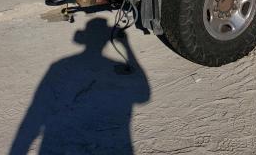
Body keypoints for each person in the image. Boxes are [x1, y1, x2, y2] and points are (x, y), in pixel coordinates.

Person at [9, 18, 150, 154]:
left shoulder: (60, 66)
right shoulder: (104, 65)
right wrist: (126, 46)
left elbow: (35, 113)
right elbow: (143, 95)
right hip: (112, 143)